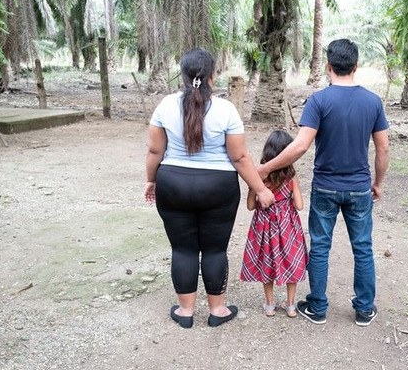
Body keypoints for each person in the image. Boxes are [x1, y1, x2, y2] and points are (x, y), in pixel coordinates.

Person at [258, 39, 389, 327]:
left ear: (328, 66)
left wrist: (265, 168)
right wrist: (377, 183)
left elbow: (301, 146)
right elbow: (382, 149)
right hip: (359, 188)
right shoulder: (373, 102)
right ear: (356, 66)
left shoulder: (319, 101)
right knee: (363, 247)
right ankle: (365, 309)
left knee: (319, 246)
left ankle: (317, 307)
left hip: (326, 188)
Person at [145, 48, 275, 329]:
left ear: (183, 75)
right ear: (212, 77)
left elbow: (155, 151)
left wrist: (152, 180)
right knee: (215, 250)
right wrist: (261, 189)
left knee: (183, 249)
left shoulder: (165, 106)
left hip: (173, 183)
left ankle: (185, 311)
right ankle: (217, 310)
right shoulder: (226, 110)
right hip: (218, 187)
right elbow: (239, 158)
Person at [240, 130, 308, 318]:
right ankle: (291, 305)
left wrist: (254, 188)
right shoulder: (291, 174)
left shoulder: (258, 175)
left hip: (264, 225)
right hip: (287, 226)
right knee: (290, 260)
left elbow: (250, 205)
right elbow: (300, 205)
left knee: (266, 261)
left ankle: (270, 305)